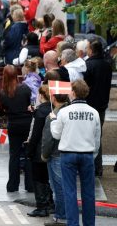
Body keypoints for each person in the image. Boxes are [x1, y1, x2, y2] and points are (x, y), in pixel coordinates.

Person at [50, 79, 101, 226]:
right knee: (88, 193)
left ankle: (73, 223)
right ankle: (89, 223)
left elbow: (56, 135)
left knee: (70, 192)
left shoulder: (64, 112)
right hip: (87, 154)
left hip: (68, 154)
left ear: (73, 93)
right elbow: (97, 138)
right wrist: (93, 154)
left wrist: (53, 121)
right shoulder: (94, 113)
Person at [0, 65, 33, 192]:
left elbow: (2, 110)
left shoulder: (3, 93)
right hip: (27, 124)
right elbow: (29, 104)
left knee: (14, 155)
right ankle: (30, 185)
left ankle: (12, 185)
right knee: (28, 154)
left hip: (13, 125)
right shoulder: (25, 89)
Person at [83, 40, 112, 177]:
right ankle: (97, 167)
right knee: (97, 135)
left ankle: (91, 167)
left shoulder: (88, 65)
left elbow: (85, 86)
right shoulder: (107, 65)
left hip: (90, 104)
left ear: (91, 50)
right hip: (102, 105)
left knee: (88, 136)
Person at [42, 85, 70, 226]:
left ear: (53, 97)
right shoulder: (70, 112)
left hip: (56, 154)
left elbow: (48, 139)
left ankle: (61, 216)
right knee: (67, 187)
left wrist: (44, 155)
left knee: (58, 187)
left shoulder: (54, 115)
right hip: (70, 152)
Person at [26, 85, 53, 217]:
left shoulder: (41, 111)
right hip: (52, 149)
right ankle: (50, 204)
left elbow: (35, 134)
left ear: (41, 96)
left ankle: (41, 206)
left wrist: (29, 150)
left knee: (39, 178)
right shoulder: (55, 109)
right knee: (49, 178)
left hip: (39, 150)